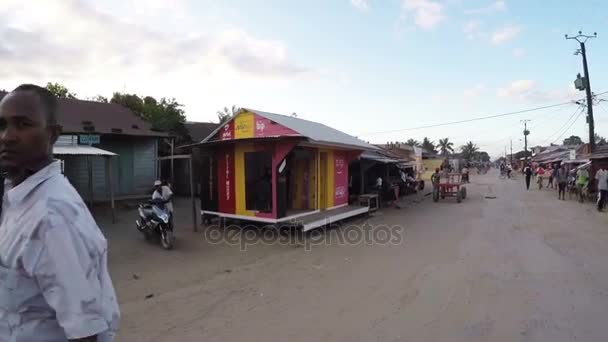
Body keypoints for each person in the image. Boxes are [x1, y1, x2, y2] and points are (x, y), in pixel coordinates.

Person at [0, 85, 119, 341]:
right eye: (2, 125)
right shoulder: (15, 195)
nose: (7, 136)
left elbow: (85, 333)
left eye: (22, 124)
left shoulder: (53, 218)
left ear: (52, 134)